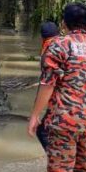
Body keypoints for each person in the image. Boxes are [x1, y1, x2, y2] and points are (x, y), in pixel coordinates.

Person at [27, 2, 86, 172]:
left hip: (64, 121)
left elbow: (48, 85)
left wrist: (35, 116)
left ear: (63, 24)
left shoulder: (58, 45)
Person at [36, 21, 60, 151]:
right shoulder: (66, 44)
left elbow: (47, 84)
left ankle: (54, 159)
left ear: (42, 37)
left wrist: (35, 114)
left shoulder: (48, 51)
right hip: (83, 103)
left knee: (42, 131)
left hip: (60, 101)